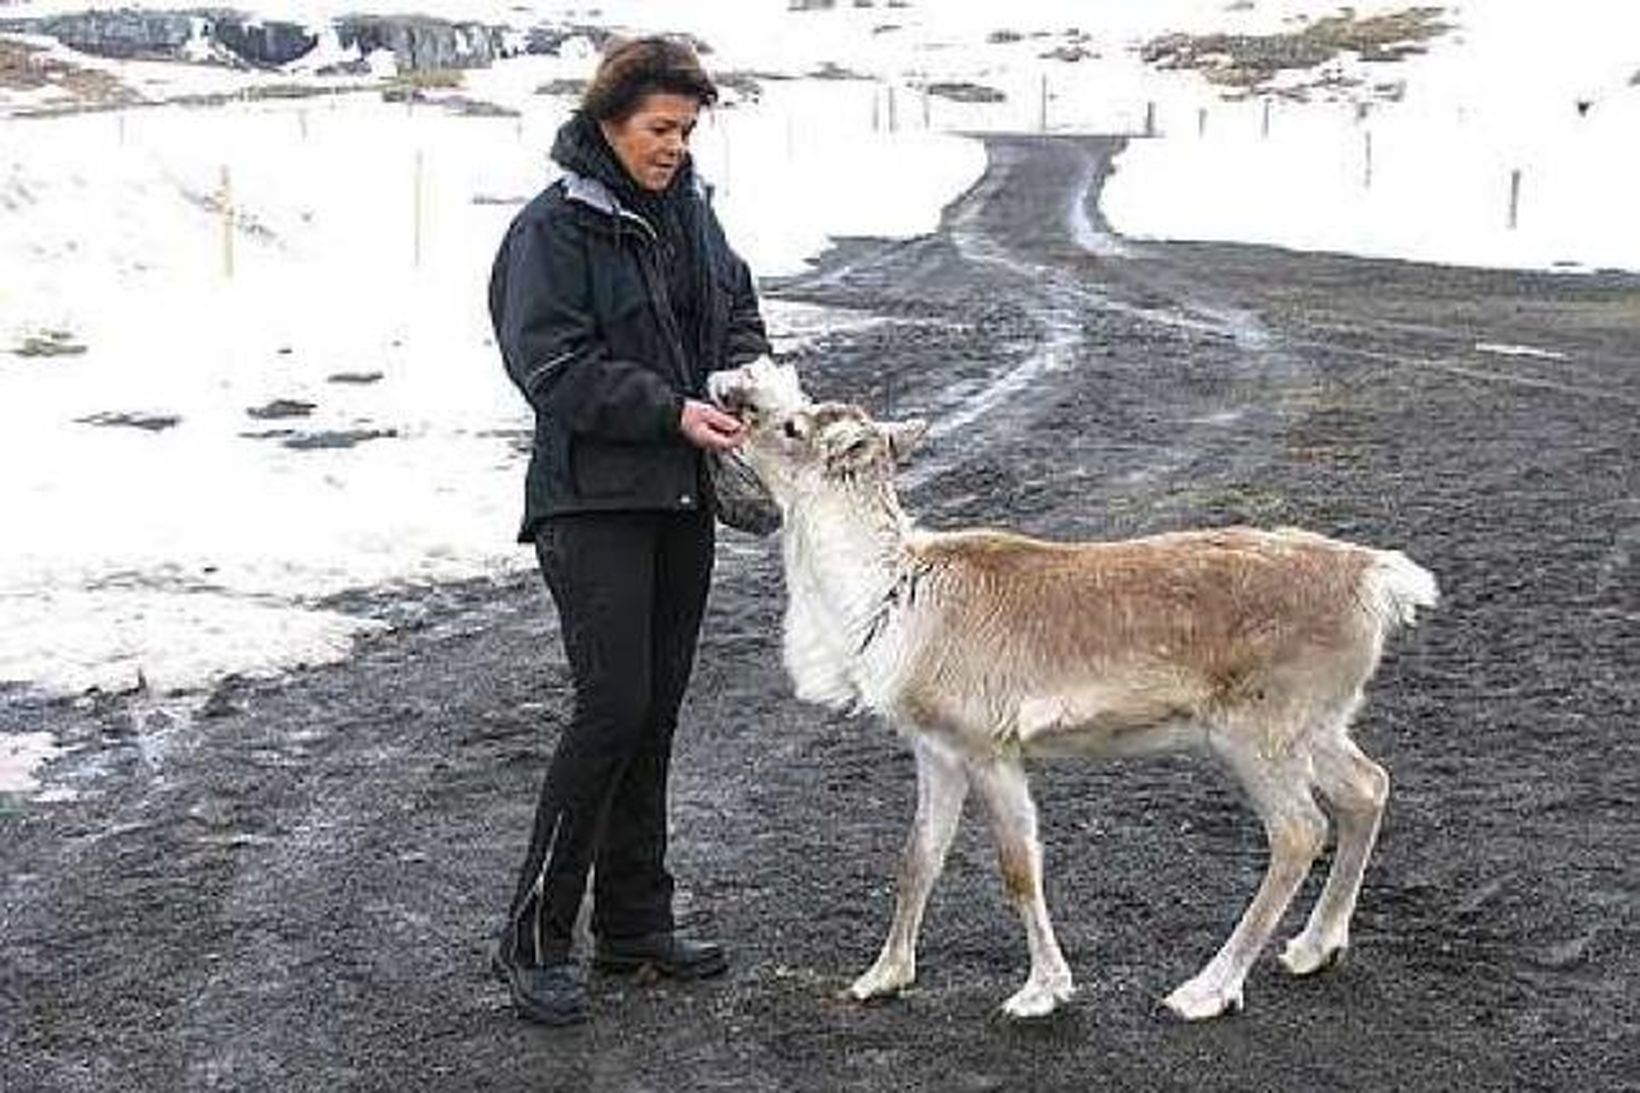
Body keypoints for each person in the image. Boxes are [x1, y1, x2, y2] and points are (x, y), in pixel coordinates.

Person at [486, 36, 771, 1026]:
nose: (675, 147)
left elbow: (734, 307)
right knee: (609, 706)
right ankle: (531, 935)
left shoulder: (689, 211)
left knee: (654, 710)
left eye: (687, 131)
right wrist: (667, 410)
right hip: (589, 500)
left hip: (677, 497)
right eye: (660, 129)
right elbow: (550, 367)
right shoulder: (552, 230)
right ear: (609, 120)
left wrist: (739, 376)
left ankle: (634, 925)